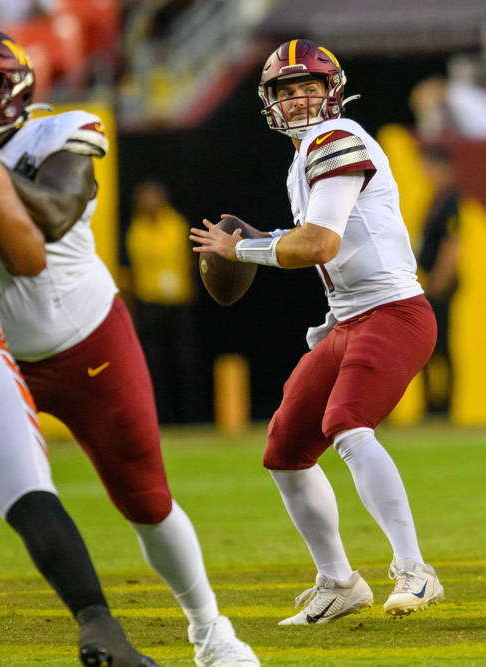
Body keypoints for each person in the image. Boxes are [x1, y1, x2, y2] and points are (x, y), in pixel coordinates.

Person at [0, 30, 257, 667]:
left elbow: (60, 211)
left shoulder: (55, 133)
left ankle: (212, 631)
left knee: (145, 500)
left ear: (18, 91)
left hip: (85, 341)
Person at [190, 39, 444, 625]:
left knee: (347, 424)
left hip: (395, 313)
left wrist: (242, 248)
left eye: (309, 86)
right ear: (270, 101)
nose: (300, 98)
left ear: (332, 91)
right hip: (351, 318)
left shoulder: (337, 140)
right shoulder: (304, 157)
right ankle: (338, 581)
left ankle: (415, 571)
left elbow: (320, 245)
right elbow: (339, 253)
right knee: (285, 448)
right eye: (288, 89)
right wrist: (329, 321)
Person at [125, 179, 200, 423]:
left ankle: (188, 416)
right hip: (149, 303)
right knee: (154, 362)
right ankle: (161, 415)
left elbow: (189, 259)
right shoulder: (136, 230)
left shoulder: (176, 223)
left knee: (183, 360)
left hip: (177, 302)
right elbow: (133, 270)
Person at [417, 145, 460, 416]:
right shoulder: (436, 199)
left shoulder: (450, 201)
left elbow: (453, 243)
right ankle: (432, 404)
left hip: (439, 285)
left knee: (440, 346)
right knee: (428, 348)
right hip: (429, 281)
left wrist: (439, 281)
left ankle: (443, 406)